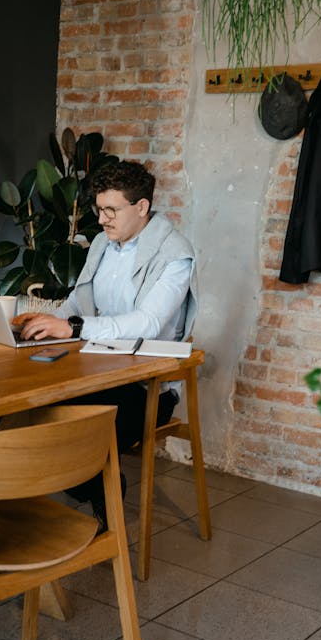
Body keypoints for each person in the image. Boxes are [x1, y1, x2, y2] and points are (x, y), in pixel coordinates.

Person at [15, 160, 197, 526]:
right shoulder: (102, 244)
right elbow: (77, 301)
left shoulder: (175, 255)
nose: (101, 219)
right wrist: (46, 321)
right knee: (36, 408)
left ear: (141, 207)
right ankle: (97, 492)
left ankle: (102, 503)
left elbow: (147, 323)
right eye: (100, 210)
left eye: (111, 210)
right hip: (95, 370)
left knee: (81, 431)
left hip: (147, 386)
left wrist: (76, 327)